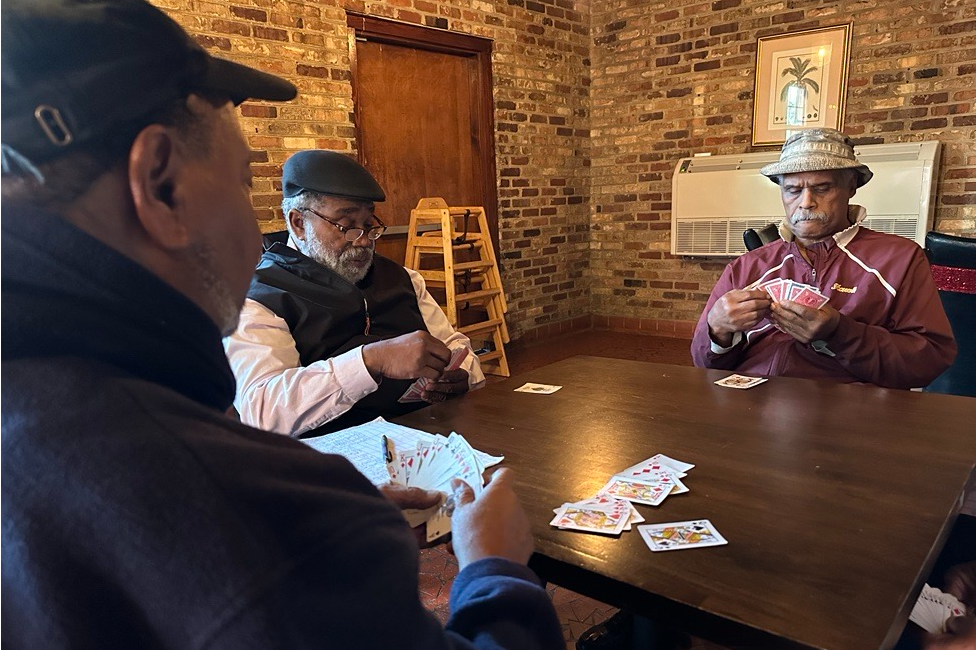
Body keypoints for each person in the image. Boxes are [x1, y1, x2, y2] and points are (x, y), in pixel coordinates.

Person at [0, 2, 563, 649]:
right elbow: (259, 421)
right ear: (158, 186)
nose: (253, 226)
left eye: (367, 225)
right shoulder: (255, 506)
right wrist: (495, 570)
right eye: (241, 183)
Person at [224, 149, 486, 436]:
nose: (363, 241)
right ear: (299, 223)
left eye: (369, 226)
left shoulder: (403, 279)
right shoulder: (259, 297)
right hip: (325, 464)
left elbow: (458, 349)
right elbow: (261, 411)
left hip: (423, 443)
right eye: (347, 226)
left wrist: (463, 376)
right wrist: (371, 361)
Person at [691, 128, 956, 389]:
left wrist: (839, 333)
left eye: (822, 188)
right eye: (793, 190)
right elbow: (703, 364)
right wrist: (717, 330)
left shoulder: (900, 259)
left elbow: (928, 360)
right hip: (750, 403)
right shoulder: (747, 267)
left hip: (846, 413)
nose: (806, 202)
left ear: (851, 187)